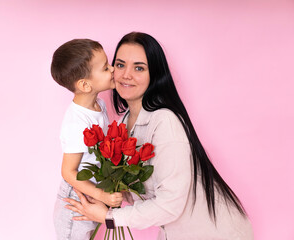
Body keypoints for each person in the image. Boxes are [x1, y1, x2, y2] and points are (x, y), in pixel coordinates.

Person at [64, 32, 254, 239]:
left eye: (139, 68)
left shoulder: (165, 122)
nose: (126, 74)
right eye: (119, 65)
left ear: (154, 74)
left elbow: (170, 204)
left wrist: (110, 218)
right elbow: (141, 187)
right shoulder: (124, 123)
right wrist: (100, 196)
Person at [50, 39, 123, 240]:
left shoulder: (99, 104)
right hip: (76, 199)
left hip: (92, 191)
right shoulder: (77, 122)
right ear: (85, 84)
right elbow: (68, 171)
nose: (112, 69)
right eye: (105, 67)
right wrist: (102, 196)